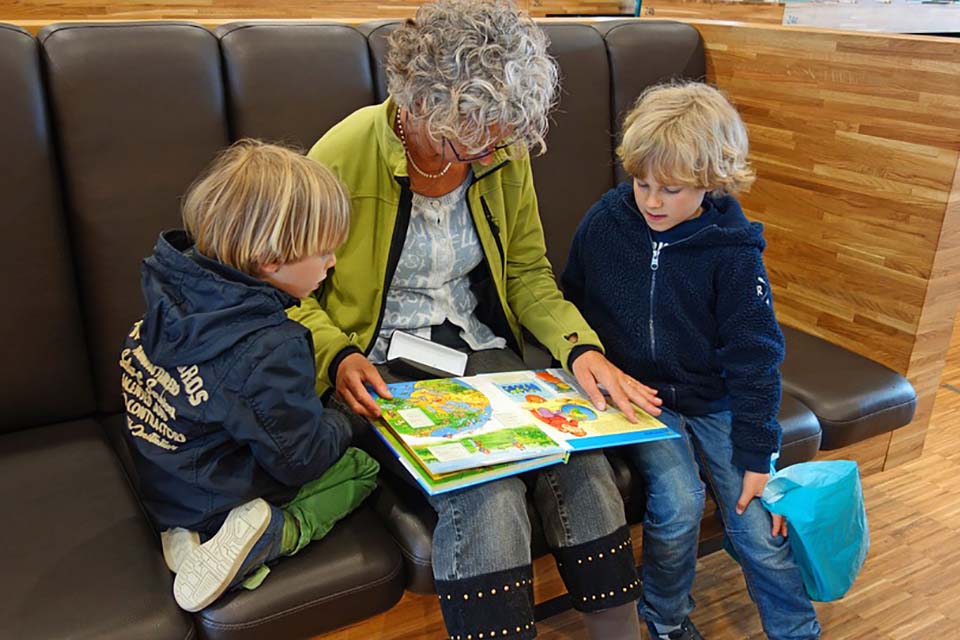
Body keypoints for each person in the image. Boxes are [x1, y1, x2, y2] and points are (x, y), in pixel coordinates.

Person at [289, 1, 662, 637]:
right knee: (485, 485)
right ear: (420, 101)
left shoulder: (500, 150)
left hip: (477, 348)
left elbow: (528, 272)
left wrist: (581, 349)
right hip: (377, 362)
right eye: (468, 134)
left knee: (579, 463)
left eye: (499, 134)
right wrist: (337, 355)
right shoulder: (343, 155)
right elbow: (288, 290)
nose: (487, 149)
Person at [562, 81, 822, 640]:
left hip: (716, 400)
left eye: (672, 189)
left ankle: (797, 630)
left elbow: (756, 358)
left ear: (711, 181)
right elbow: (569, 301)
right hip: (641, 399)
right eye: (642, 183)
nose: (652, 202)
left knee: (759, 525)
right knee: (679, 502)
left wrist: (759, 454)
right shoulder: (607, 221)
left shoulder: (733, 250)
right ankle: (666, 620)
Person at [119, 140, 379, 612]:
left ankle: (185, 534)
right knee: (362, 469)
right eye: (324, 252)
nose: (332, 263)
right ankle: (272, 533)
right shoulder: (270, 349)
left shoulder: (172, 285)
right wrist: (348, 419)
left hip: (165, 485)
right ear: (271, 259)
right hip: (218, 492)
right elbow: (301, 460)